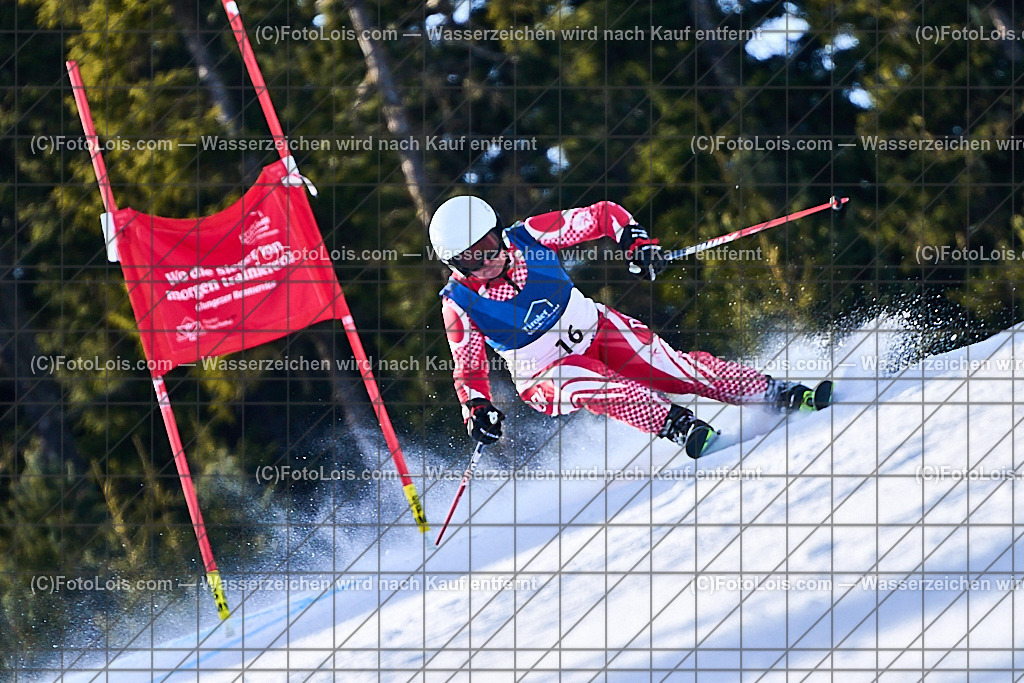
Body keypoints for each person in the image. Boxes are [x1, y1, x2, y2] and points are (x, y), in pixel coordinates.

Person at [431, 196, 831, 458]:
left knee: (679, 371)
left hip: (593, 327)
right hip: (543, 373)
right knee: (595, 384)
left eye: (485, 246)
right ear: (455, 266)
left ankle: (774, 393)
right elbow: (467, 367)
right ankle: (676, 425)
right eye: (468, 260)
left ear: (497, 231)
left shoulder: (530, 236)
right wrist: (477, 408)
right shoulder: (459, 302)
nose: (483, 262)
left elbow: (603, 215)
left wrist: (636, 243)